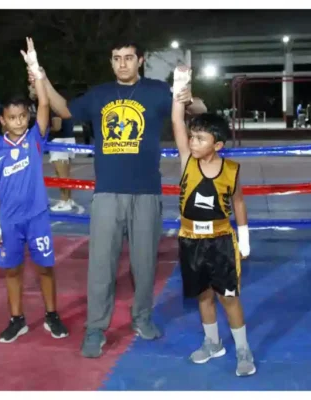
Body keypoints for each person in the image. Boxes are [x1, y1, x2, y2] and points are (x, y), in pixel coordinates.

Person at [31, 39, 207, 358]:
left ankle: (141, 318)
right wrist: (41, 76)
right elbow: (64, 109)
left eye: (128, 58)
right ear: (111, 62)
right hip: (107, 192)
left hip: (146, 192)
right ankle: (96, 328)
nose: (122, 63)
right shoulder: (99, 94)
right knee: (101, 265)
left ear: (140, 61)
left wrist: (188, 97)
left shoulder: (155, 91)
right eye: (116, 58)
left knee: (144, 263)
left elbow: (199, 111)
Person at [170, 67, 255, 377]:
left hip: (220, 240)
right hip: (190, 239)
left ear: (217, 144)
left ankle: (243, 349)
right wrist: (180, 88)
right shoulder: (186, 161)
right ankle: (212, 343)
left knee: (228, 296)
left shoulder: (231, 170)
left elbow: (239, 201)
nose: (192, 142)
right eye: (192, 137)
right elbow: (177, 121)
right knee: (203, 295)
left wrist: (243, 238)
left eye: (200, 138)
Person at [0, 38, 69, 343]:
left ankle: (51, 314)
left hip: (37, 217)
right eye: (12, 117)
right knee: (12, 271)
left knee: (46, 268)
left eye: (23, 116)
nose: (19, 122)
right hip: (8, 220)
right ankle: (17, 319)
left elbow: (45, 104)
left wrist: (35, 69)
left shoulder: (35, 139)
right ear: (2, 120)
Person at [47, 87, 78, 212]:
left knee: (61, 174)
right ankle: (68, 199)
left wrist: (45, 131)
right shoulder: (66, 103)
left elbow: (57, 125)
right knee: (66, 174)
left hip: (59, 142)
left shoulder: (54, 106)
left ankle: (64, 201)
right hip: (69, 139)